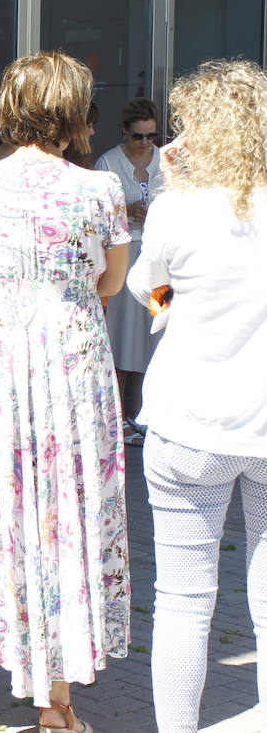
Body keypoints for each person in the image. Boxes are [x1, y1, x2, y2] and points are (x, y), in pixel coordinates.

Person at [0, 51, 131, 733]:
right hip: (66, 368)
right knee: (60, 517)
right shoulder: (96, 190)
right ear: (73, 112)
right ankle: (55, 704)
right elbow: (110, 283)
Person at [126, 59, 267, 733]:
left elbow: (145, 289)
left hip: (188, 421)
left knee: (184, 599)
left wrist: (171, 305)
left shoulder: (178, 209)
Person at [95, 97, 164, 442]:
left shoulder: (166, 162)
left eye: (152, 136)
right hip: (123, 254)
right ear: (125, 132)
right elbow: (96, 215)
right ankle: (117, 417)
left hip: (158, 258)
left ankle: (148, 413)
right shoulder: (108, 162)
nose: (146, 143)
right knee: (121, 334)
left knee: (156, 329)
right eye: (139, 136)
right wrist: (127, 211)